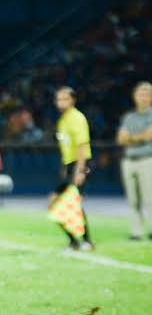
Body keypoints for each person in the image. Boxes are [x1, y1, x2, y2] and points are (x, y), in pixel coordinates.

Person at [53, 86, 94, 250]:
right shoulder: (62, 120)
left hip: (79, 164)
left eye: (65, 98)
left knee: (71, 204)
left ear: (73, 100)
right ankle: (75, 241)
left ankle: (85, 241)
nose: (61, 102)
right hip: (69, 165)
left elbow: (82, 145)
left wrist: (79, 171)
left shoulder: (77, 118)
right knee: (57, 204)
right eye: (58, 99)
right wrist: (65, 169)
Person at [116, 81, 152, 240]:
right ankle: (136, 232)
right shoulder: (129, 117)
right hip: (129, 161)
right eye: (140, 94)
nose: (142, 97)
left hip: (147, 160)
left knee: (150, 198)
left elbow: (148, 136)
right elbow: (120, 139)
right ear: (134, 97)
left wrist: (130, 138)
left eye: (146, 94)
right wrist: (139, 137)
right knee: (133, 199)